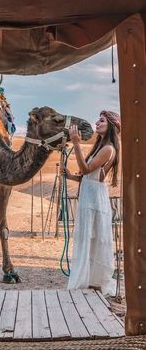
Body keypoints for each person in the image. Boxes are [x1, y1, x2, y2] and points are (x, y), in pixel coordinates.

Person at [66, 110, 121, 297]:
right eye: (98, 119)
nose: (97, 123)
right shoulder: (101, 147)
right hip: (89, 195)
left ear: (111, 126)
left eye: (102, 120)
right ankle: (89, 279)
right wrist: (71, 176)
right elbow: (87, 176)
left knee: (94, 236)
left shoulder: (108, 149)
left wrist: (76, 142)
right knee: (87, 236)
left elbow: (86, 168)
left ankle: (94, 280)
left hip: (94, 198)